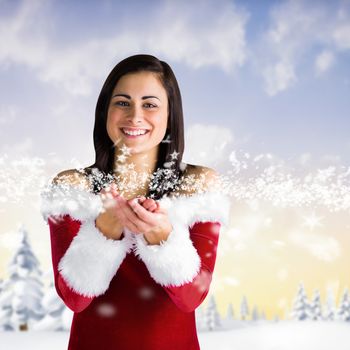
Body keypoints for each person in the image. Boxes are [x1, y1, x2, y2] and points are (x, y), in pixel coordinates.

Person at [40, 54, 231, 350]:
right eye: (122, 102)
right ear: (106, 110)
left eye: (150, 104)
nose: (135, 116)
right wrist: (104, 229)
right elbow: (74, 299)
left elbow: (192, 298)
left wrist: (163, 238)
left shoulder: (197, 186)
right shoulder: (72, 187)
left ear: (170, 115)